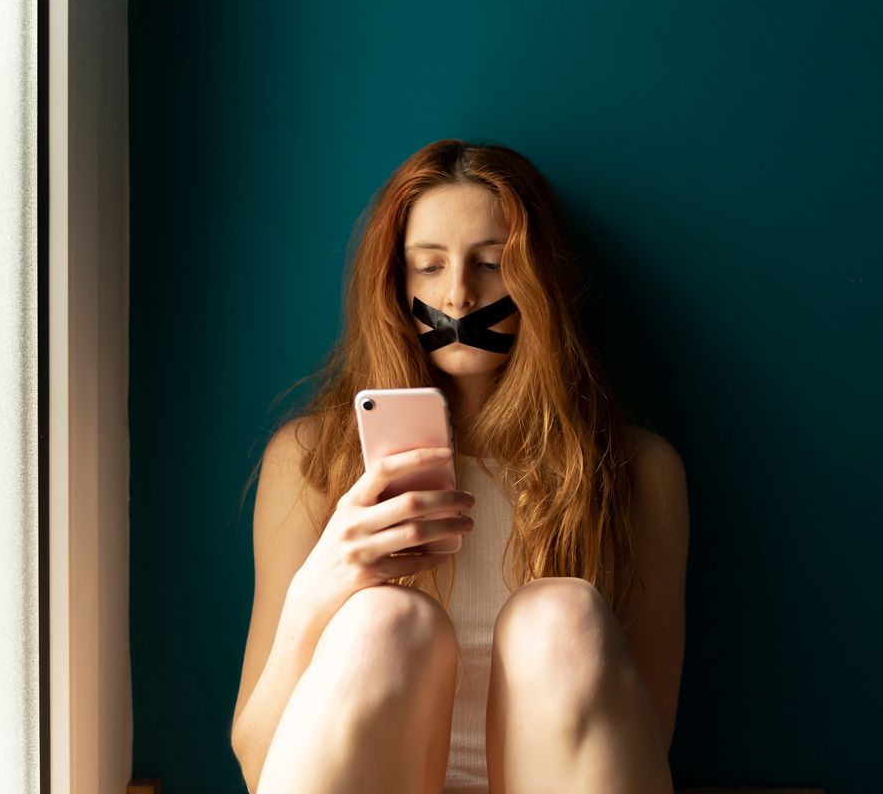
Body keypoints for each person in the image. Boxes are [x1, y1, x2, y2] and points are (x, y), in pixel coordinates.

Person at [229, 138, 689, 794]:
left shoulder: (639, 470)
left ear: (539, 278)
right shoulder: (310, 462)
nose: (460, 294)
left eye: (492, 263)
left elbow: (646, 744)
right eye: (428, 265)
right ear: (394, 281)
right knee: (387, 623)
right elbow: (256, 762)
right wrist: (323, 585)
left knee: (560, 613)